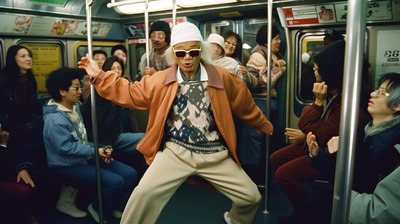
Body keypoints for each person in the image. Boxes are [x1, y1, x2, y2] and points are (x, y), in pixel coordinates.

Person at [78, 21, 273, 224]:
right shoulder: (161, 80)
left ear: (201, 51)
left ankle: (234, 219)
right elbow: (131, 92)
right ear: (174, 53)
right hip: (175, 152)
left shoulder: (223, 78)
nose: (187, 58)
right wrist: (100, 76)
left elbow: (244, 104)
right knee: (142, 195)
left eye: (193, 52)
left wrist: (261, 124)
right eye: (181, 53)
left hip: (214, 153)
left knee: (251, 197)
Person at [269, 40, 371, 224]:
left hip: (336, 157)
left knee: (283, 174)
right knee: (275, 158)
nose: (314, 71)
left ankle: (307, 217)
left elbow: (324, 137)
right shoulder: (337, 95)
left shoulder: (351, 105)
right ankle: (300, 209)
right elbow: (326, 128)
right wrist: (306, 135)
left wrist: (316, 102)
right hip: (323, 145)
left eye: (317, 68)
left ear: (331, 72)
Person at [43, 67, 137, 223]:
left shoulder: (74, 108)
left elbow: (83, 139)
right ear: (62, 92)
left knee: (130, 174)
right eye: (76, 88)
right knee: (116, 182)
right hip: (67, 164)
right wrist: (95, 151)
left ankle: (114, 206)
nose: (80, 91)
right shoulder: (54, 120)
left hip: (84, 156)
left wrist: (101, 148)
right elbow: (66, 148)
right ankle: (97, 208)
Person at [306, 73, 400, 224]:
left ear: (397, 105)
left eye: (382, 92)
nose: (372, 94)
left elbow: (364, 186)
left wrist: (337, 156)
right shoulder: (366, 132)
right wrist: (319, 156)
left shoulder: (394, 148)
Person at [81, 56, 146, 176]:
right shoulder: (100, 91)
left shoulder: (127, 89)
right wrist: (105, 144)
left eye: (119, 68)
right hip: (109, 136)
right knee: (144, 139)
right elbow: (98, 122)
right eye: (112, 68)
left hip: (120, 131)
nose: (116, 71)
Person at [0, 45, 44, 224]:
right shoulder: (4, 81)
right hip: (9, 127)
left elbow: (31, 105)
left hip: (23, 128)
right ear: (14, 59)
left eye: (29, 55)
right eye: (23, 56)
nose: (28, 59)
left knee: (29, 164)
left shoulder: (30, 79)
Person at [237, 24, 286, 183]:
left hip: (269, 102)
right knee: (255, 140)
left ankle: (263, 174)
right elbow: (262, 81)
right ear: (266, 42)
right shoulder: (258, 56)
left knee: (265, 140)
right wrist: (278, 69)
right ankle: (253, 175)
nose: (278, 42)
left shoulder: (274, 56)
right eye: (276, 39)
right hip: (259, 102)